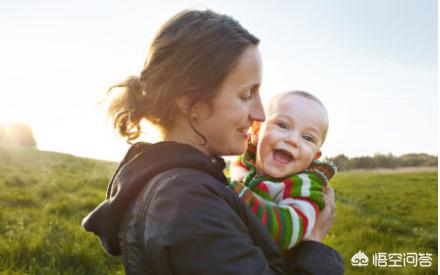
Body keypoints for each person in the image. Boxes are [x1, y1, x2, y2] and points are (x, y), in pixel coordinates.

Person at [81, 9, 343, 274]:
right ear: (191, 102)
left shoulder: (190, 185)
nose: (260, 114)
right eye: (246, 94)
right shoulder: (185, 202)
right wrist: (314, 245)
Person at [228, 90, 337, 250]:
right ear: (257, 131)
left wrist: (234, 197)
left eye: (307, 138)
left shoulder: (304, 186)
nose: (292, 140)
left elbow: (287, 232)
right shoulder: (242, 161)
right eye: (283, 125)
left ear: (314, 156)